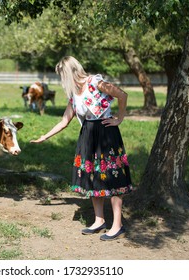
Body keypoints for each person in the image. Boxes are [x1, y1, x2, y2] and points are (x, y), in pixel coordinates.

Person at [30, 56, 133, 241]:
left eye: (62, 75)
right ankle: (99, 220)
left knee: (112, 176)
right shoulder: (74, 94)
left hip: (106, 133)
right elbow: (64, 121)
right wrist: (44, 136)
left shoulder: (96, 82)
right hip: (88, 135)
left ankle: (117, 225)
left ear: (69, 73)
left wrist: (120, 117)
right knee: (93, 176)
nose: (62, 80)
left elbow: (122, 95)